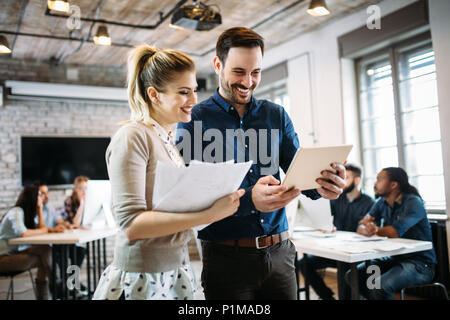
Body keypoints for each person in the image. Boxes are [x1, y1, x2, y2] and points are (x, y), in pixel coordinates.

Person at [176, 27, 346, 300]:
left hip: (280, 254)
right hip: (225, 259)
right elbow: (187, 197)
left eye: (255, 72)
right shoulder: (193, 118)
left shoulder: (276, 115)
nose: (248, 82)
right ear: (218, 65)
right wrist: (248, 202)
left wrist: (326, 183)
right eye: (239, 72)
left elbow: (298, 173)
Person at [92, 45, 245, 300]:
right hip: (143, 276)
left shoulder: (166, 139)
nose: (194, 100)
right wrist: (209, 214)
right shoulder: (133, 136)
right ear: (154, 94)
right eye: (184, 92)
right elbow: (131, 225)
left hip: (173, 269)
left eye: (194, 90)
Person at [344, 167, 437, 300]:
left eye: (379, 180)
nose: (374, 184)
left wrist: (374, 229)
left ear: (393, 185)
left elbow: (394, 232)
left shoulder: (413, 202)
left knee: (378, 286)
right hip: (393, 258)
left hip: (419, 264)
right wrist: (366, 228)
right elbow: (361, 225)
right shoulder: (381, 202)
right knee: (353, 275)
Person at [297, 164, 375, 300]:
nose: (343, 180)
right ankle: (327, 297)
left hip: (357, 253)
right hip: (337, 248)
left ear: (357, 180)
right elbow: (326, 216)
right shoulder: (338, 199)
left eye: (347, 177)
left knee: (344, 265)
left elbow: (369, 228)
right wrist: (326, 225)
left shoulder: (370, 202)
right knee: (304, 263)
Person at [0, 184, 65, 299]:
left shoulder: (26, 214)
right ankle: (56, 286)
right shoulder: (16, 212)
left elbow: (41, 229)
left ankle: (56, 286)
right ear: (32, 198)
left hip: (14, 254)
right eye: (39, 195)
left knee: (45, 249)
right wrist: (46, 230)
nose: (42, 198)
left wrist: (39, 209)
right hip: (3, 259)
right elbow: (24, 233)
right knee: (43, 258)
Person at [55, 176, 88, 271]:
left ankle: (72, 281)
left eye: (86, 188)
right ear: (75, 189)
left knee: (81, 251)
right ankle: (68, 281)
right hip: (65, 240)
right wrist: (82, 205)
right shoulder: (69, 201)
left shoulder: (89, 200)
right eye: (81, 188)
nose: (84, 191)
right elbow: (75, 222)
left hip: (76, 240)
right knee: (72, 252)